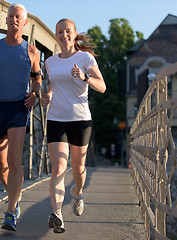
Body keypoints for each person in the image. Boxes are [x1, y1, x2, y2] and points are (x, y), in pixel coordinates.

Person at [0, 3, 42, 231]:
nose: (13, 19)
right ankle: (15, 194)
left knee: (14, 160)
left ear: (24, 23)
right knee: (1, 165)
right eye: (10, 15)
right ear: (6, 21)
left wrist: (34, 93)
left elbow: (37, 78)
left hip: (18, 108)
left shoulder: (32, 51)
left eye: (18, 17)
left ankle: (11, 211)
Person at [41, 18, 106, 233]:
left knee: (78, 169)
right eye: (60, 32)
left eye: (68, 31)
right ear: (56, 35)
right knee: (58, 167)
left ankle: (77, 194)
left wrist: (85, 77)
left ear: (74, 33)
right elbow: (53, 84)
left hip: (80, 120)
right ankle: (57, 214)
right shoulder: (50, 62)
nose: (63, 35)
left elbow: (102, 86)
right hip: (56, 120)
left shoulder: (85, 58)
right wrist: (47, 96)